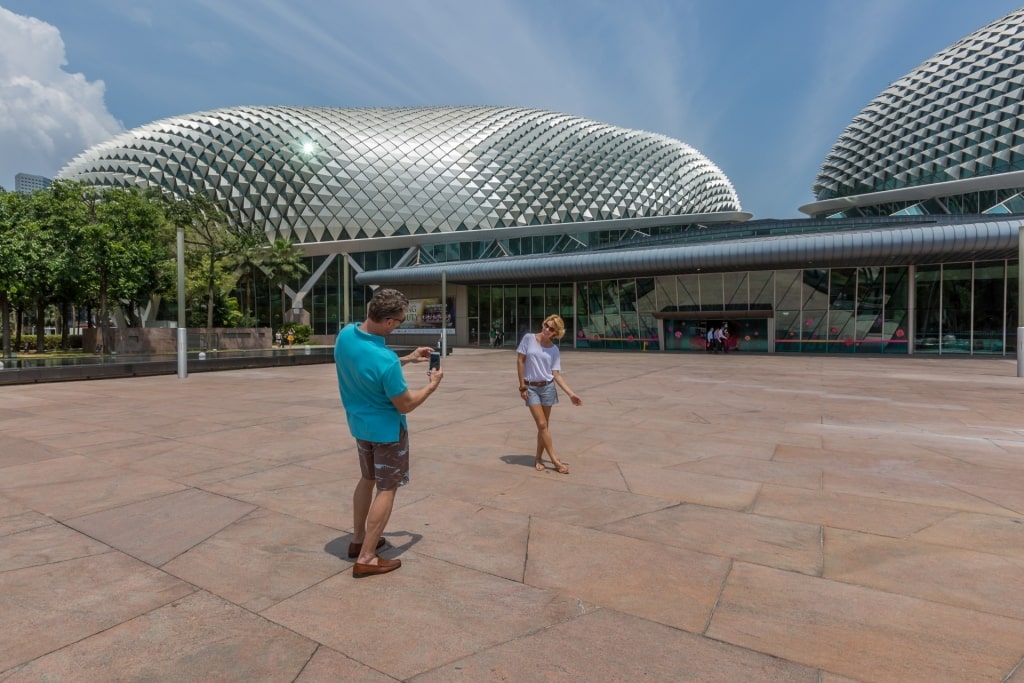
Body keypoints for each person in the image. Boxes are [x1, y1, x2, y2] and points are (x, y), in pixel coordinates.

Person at [334, 288, 443, 577]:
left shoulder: (345, 335)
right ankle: (368, 557)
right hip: (387, 433)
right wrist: (431, 386)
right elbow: (405, 404)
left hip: (359, 426)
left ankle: (358, 541)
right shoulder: (385, 360)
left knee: (367, 479)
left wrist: (407, 358)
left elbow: (367, 364)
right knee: (386, 487)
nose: (397, 326)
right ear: (389, 322)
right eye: (397, 321)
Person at [516, 314, 582, 474]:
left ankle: (538, 458)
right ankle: (554, 460)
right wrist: (522, 386)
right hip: (531, 388)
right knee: (542, 424)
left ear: (556, 333)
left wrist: (571, 394)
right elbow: (520, 361)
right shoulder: (529, 338)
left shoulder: (554, 349)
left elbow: (556, 374)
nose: (546, 329)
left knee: (544, 426)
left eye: (551, 328)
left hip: (547, 388)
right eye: (546, 325)